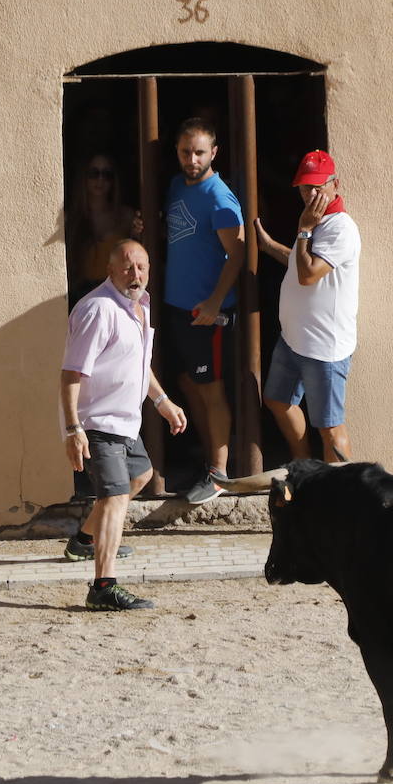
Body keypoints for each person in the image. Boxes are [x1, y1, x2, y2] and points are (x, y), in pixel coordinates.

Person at [60, 240, 187, 610]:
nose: (136, 275)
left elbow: (137, 363)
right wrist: (73, 429)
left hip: (125, 421)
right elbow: (70, 374)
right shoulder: (98, 310)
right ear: (111, 269)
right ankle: (103, 586)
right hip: (96, 421)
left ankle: (84, 541)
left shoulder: (139, 307)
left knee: (140, 476)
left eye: (142, 267)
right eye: (128, 267)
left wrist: (162, 402)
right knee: (114, 497)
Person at [252, 150, 360, 463]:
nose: (311, 194)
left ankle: (344, 497)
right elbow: (299, 262)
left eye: (317, 187)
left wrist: (303, 228)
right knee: (276, 400)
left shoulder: (340, 228)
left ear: (335, 185)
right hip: (294, 340)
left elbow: (308, 273)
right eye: (304, 188)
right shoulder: (318, 224)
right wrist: (270, 246)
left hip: (324, 348)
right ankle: (305, 467)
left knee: (330, 427)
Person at [161, 118, 245, 504]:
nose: (191, 159)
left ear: (214, 153)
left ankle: (218, 473)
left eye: (199, 152)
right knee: (187, 382)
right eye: (185, 151)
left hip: (206, 315)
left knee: (211, 389)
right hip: (178, 308)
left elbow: (238, 254)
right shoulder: (178, 186)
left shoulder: (220, 198)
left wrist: (214, 302)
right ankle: (205, 452)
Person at [65, 152, 143, 302]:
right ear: (84, 178)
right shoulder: (71, 218)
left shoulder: (126, 216)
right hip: (79, 294)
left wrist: (137, 234)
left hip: (116, 293)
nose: (100, 179)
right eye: (94, 173)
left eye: (107, 174)